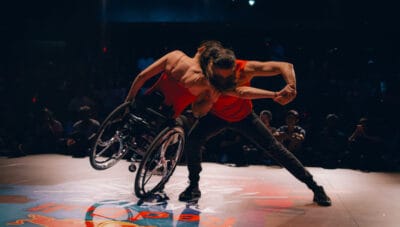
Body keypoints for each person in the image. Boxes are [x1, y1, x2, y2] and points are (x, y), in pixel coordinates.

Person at [179, 48, 332, 206]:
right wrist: (210, 100)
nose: (224, 80)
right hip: (215, 115)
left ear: (235, 68)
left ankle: (315, 187)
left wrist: (291, 88)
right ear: (212, 68)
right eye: (220, 76)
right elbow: (197, 111)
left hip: (243, 116)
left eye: (228, 76)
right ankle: (193, 186)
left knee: (275, 149)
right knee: (193, 140)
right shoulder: (204, 76)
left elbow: (285, 66)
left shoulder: (245, 69)